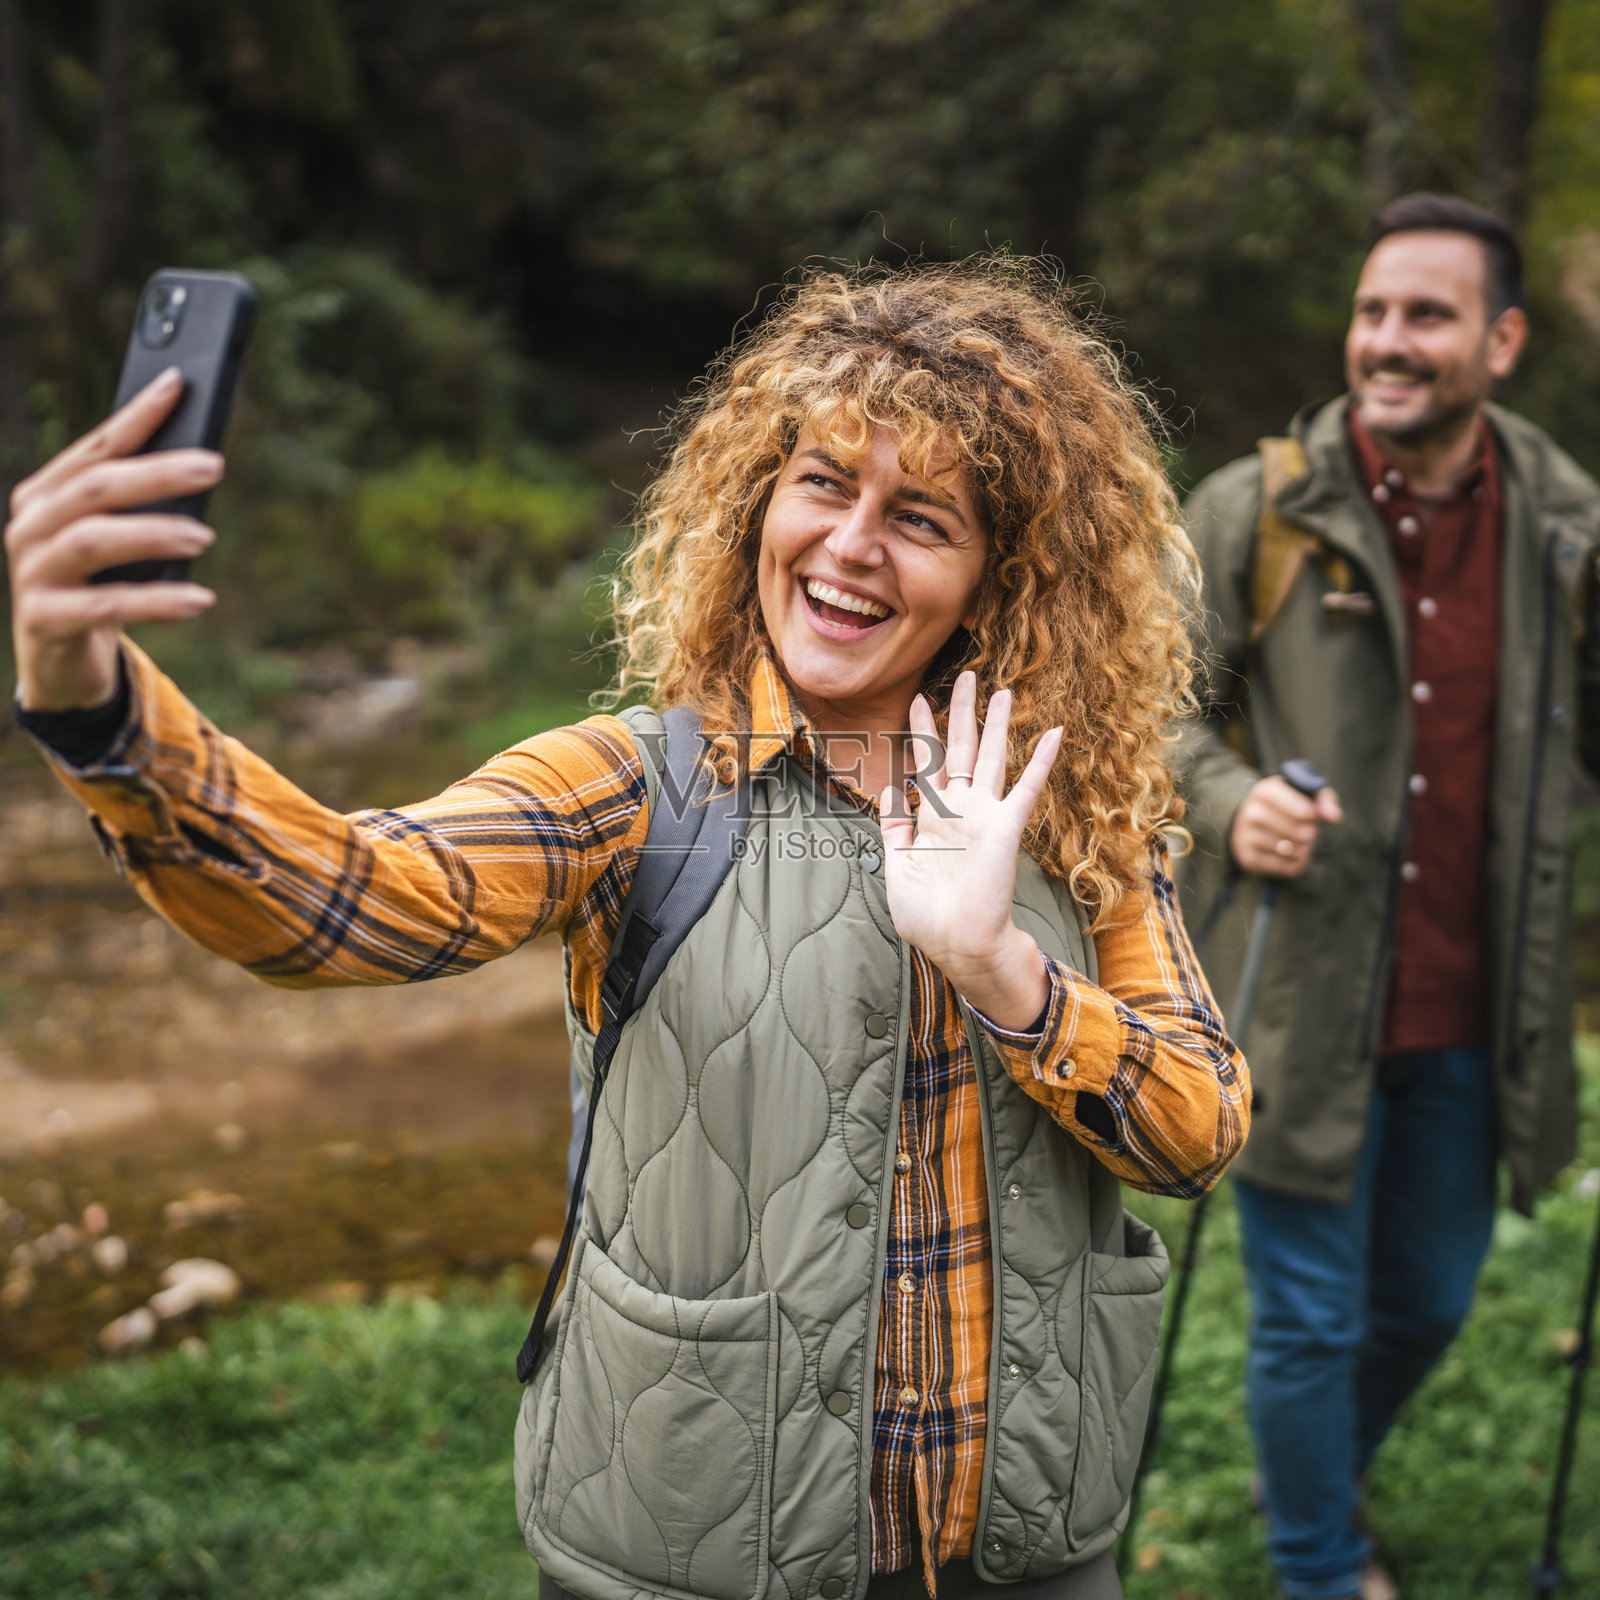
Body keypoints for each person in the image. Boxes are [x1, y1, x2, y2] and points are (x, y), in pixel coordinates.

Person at [9, 259, 1249, 1600]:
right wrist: (101, 714)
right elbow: (344, 901)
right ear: (758, 505)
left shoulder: (1076, 810)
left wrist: (1001, 966)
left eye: (922, 517)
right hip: (693, 1555)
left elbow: (1200, 1130)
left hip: (1021, 1556)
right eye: (823, 483)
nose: (849, 545)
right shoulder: (638, 788)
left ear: (999, 581)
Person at [1173, 194, 1600, 1600]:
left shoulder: (1569, 532)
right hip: (1298, 990)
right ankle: (1318, 1562)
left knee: (1428, 1299)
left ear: (1504, 339)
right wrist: (1239, 806)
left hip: (1481, 1004)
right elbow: (1135, 717)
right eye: (1373, 312)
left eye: (1427, 315)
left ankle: (1309, 1469)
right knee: (1306, 1322)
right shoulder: (1255, 510)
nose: (1388, 342)